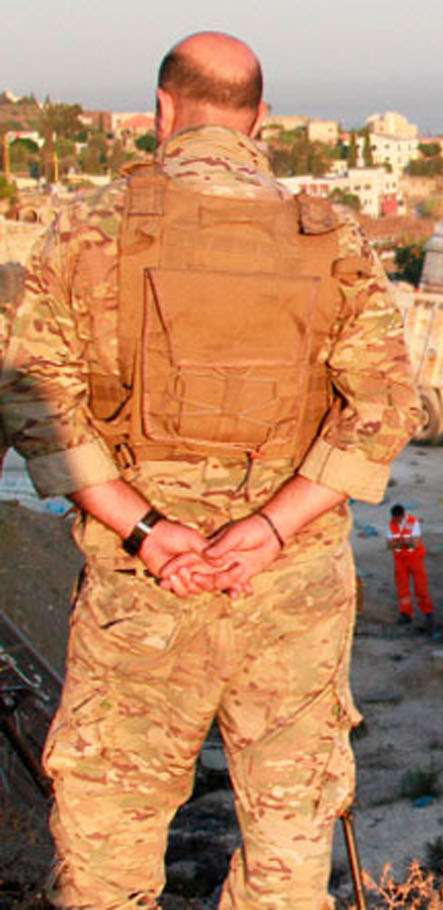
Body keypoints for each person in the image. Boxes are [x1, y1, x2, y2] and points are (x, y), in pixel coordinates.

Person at [0, 32, 420, 908]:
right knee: (288, 836)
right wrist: (266, 532)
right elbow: (385, 409)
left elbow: (36, 402)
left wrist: (147, 531)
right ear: (259, 120)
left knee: (110, 832)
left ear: (163, 109)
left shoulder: (92, 226)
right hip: (291, 591)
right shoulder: (329, 236)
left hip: (144, 588)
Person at [388, 503, 434, 629]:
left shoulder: (413, 522)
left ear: (402, 516)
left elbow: (415, 543)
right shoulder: (391, 524)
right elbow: (390, 545)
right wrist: (405, 542)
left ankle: (428, 613)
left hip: (414, 559)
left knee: (421, 587)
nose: (396, 521)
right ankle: (405, 613)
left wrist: (399, 543)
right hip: (400, 561)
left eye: (397, 519)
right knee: (402, 588)